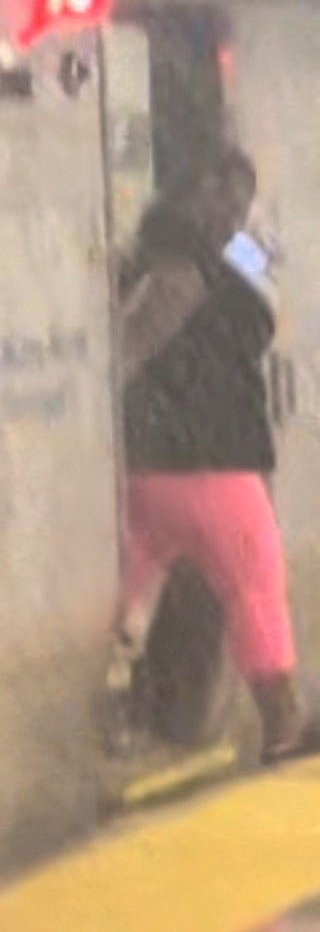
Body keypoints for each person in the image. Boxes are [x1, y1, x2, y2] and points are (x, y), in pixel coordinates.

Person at [117, 146, 297, 762]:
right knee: (257, 591)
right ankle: (282, 730)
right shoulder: (188, 264)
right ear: (193, 194)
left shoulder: (174, 251)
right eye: (223, 197)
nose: (233, 212)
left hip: (155, 463)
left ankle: (130, 715)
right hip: (216, 459)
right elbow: (139, 346)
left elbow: (274, 284)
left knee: (131, 596)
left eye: (241, 201)